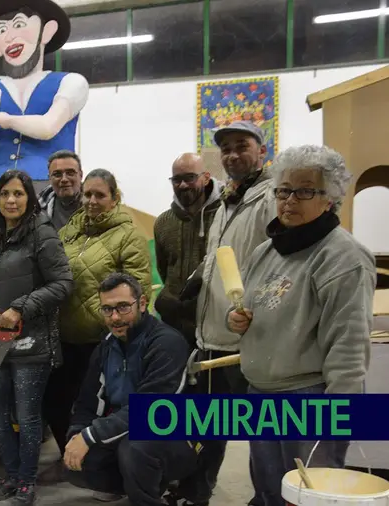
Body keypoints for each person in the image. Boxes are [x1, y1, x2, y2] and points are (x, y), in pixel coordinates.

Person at [227, 145, 375, 506]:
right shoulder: (268, 250)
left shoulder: (343, 257)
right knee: (268, 492)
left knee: (309, 497)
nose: (290, 200)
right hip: (261, 394)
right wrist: (238, 320)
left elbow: (350, 343)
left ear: (330, 198)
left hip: (310, 399)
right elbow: (254, 310)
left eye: (306, 190)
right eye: (284, 190)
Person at [0, 170, 73, 505]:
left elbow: (62, 283)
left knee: (27, 416)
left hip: (32, 342)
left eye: (18, 193)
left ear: (29, 198)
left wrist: (20, 307)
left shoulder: (42, 233)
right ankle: (13, 475)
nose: (11, 200)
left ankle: (27, 481)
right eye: (5, 194)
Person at [189, 120, 276, 505]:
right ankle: (198, 492)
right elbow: (220, 257)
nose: (233, 154)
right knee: (210, 430)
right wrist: (193, 284)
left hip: (245, 341)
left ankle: (269, 498)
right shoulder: (226, 201)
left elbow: (276, 264)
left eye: (242, 145)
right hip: (211, 338)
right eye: (225, 148)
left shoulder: (272, 198)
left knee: (262, 438)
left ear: (262, 151)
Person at [64, 273, 198, 506]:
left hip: (175, 431)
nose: (115, 317)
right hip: (127, 428)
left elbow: (150, 408)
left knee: (135, 449)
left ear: (143, 303)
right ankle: (142, 485)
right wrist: (77, 434)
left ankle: (158, 491)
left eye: (123, 307)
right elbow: (87, 400)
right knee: (77, 458)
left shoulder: (166, 343)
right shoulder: (107, 346)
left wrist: (91, 436)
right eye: (107, 309)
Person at [48, 169, 151, 467]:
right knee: (58, 401)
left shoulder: (128, 235)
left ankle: (103, 466)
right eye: (88, 194)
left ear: (115, 198)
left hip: (102, 337)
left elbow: (138, 289)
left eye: (100, 195)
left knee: (101, 405)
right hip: (64, 333)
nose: (92, 201)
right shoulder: (69, 230)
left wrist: (113, 321)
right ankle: (72, 455)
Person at [0, 0, 89, 218]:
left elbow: (48, 127)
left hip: (50, 185)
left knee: (52, 245)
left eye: (19, 25)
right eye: (2, 30)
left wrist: (6, 120)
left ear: (47, 31)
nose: (10, 36)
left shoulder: (71, 82)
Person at [153, 153, 223, 344]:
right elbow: (163, 269)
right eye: (176, 179)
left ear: (206, 177)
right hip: (173, 320)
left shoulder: (224, 215)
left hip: (214, 320)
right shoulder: (163, 222)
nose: (182, 185)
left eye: (190, 178)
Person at [38, 150, 84, 231]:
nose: (64, 179)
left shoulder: (96, 205)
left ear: (81, 175)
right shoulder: (37, 208)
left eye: (70, 173)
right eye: (57, 174)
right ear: (49, 178)